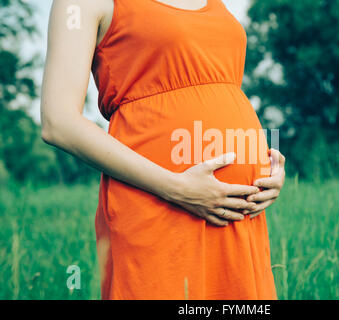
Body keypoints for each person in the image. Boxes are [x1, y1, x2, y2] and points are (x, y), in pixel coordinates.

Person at [41, 0, 286, 299]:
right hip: (157, 199)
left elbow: (222, 88)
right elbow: (58, 121)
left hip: (237, 213)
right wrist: (177, 188)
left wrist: (265, 164)